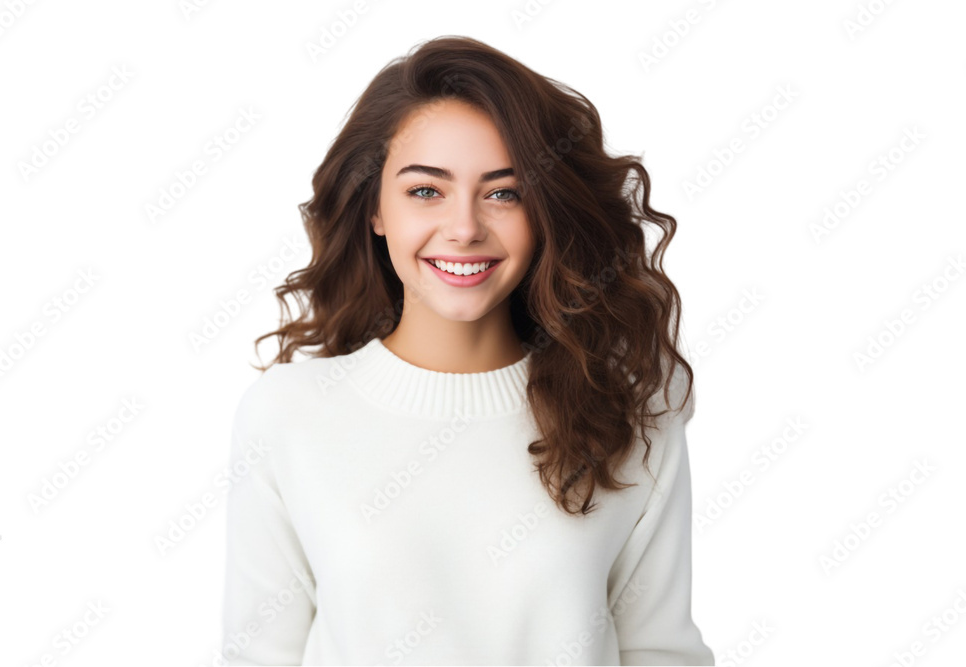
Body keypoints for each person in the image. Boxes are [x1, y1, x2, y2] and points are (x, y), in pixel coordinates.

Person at [220, 35, 715, 666]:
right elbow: (259, 655)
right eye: (426, 190)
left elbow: (658, 650)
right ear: (376, 208)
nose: (463, 228)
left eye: (504, 192)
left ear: (545, 212)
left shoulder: (634, 409)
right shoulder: (285, 415)